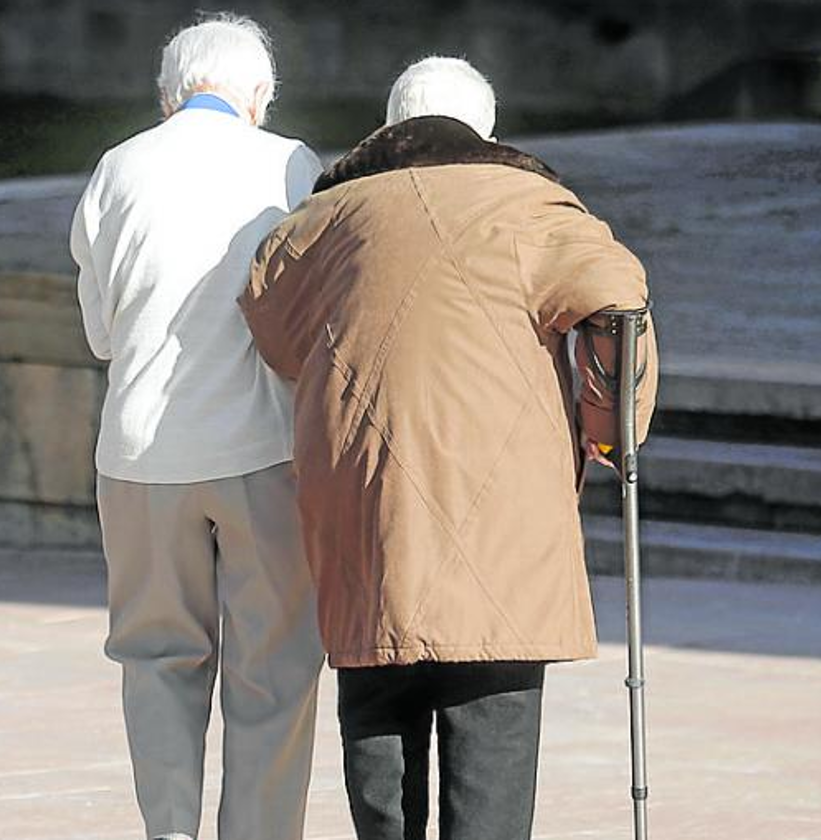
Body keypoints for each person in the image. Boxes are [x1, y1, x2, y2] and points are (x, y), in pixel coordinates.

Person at [240, 56, 659, 840]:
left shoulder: (319, 223)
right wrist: (610, 432)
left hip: (367, 509)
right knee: (492, 735)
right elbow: (616, 299)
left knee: (378, 723)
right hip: (506, 523)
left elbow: (271, 323)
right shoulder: (534, 207)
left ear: (389, 126)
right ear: (486, 132)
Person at [69, 13, 325, 840]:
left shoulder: (119, 166)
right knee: (274, 670)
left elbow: (101, 334)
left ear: (169, 93)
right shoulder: (289, 163)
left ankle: (170, 831)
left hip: (141, 453)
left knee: (155, 660)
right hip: (262, 448)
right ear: (260, 95)